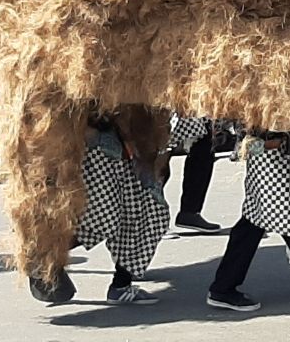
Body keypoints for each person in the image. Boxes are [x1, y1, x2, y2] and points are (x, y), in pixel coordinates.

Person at [29, 112, 168, 306]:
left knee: (146, 213)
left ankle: (121, 285)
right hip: (96, 143)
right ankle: (44, 253)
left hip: (128, 143)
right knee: (103, 219)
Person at [207, 130, 290, 318]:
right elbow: (242, 144)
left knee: (252, 226)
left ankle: (222, 287)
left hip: (276, 160)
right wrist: (267, 145)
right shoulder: (254, 110)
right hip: (271, 163)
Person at [163, 116, 222, 233]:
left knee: (204, 148)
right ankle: (153, 219)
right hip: (166, 104)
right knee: (159, 155)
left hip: (190, 105)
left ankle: (189, 212)